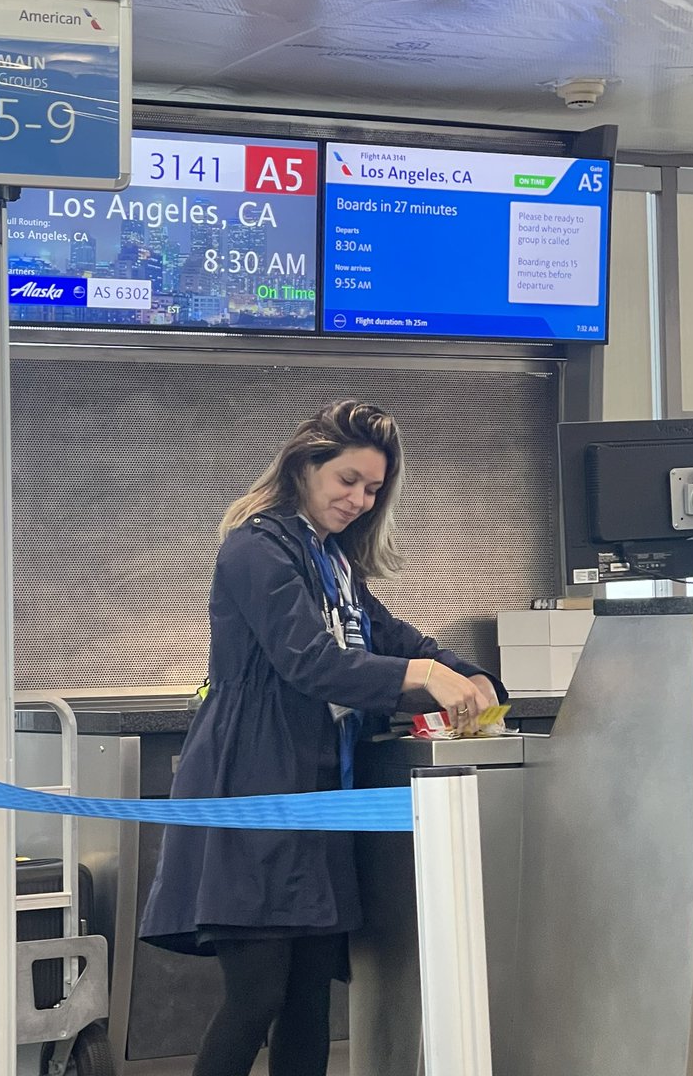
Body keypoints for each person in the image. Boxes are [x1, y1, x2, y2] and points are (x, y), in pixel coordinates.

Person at [139, 399, 506, 1076]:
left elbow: (393, 639)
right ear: (305, 466)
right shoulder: (255, 548)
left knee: (309, 1000)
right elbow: (309, 660)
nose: (360, 500)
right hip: (254, 788)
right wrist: (424, 674)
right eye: (348, 481)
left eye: (372, 489)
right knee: (257, 998)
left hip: (316, 797)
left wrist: (473, 678)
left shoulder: (334, 563)